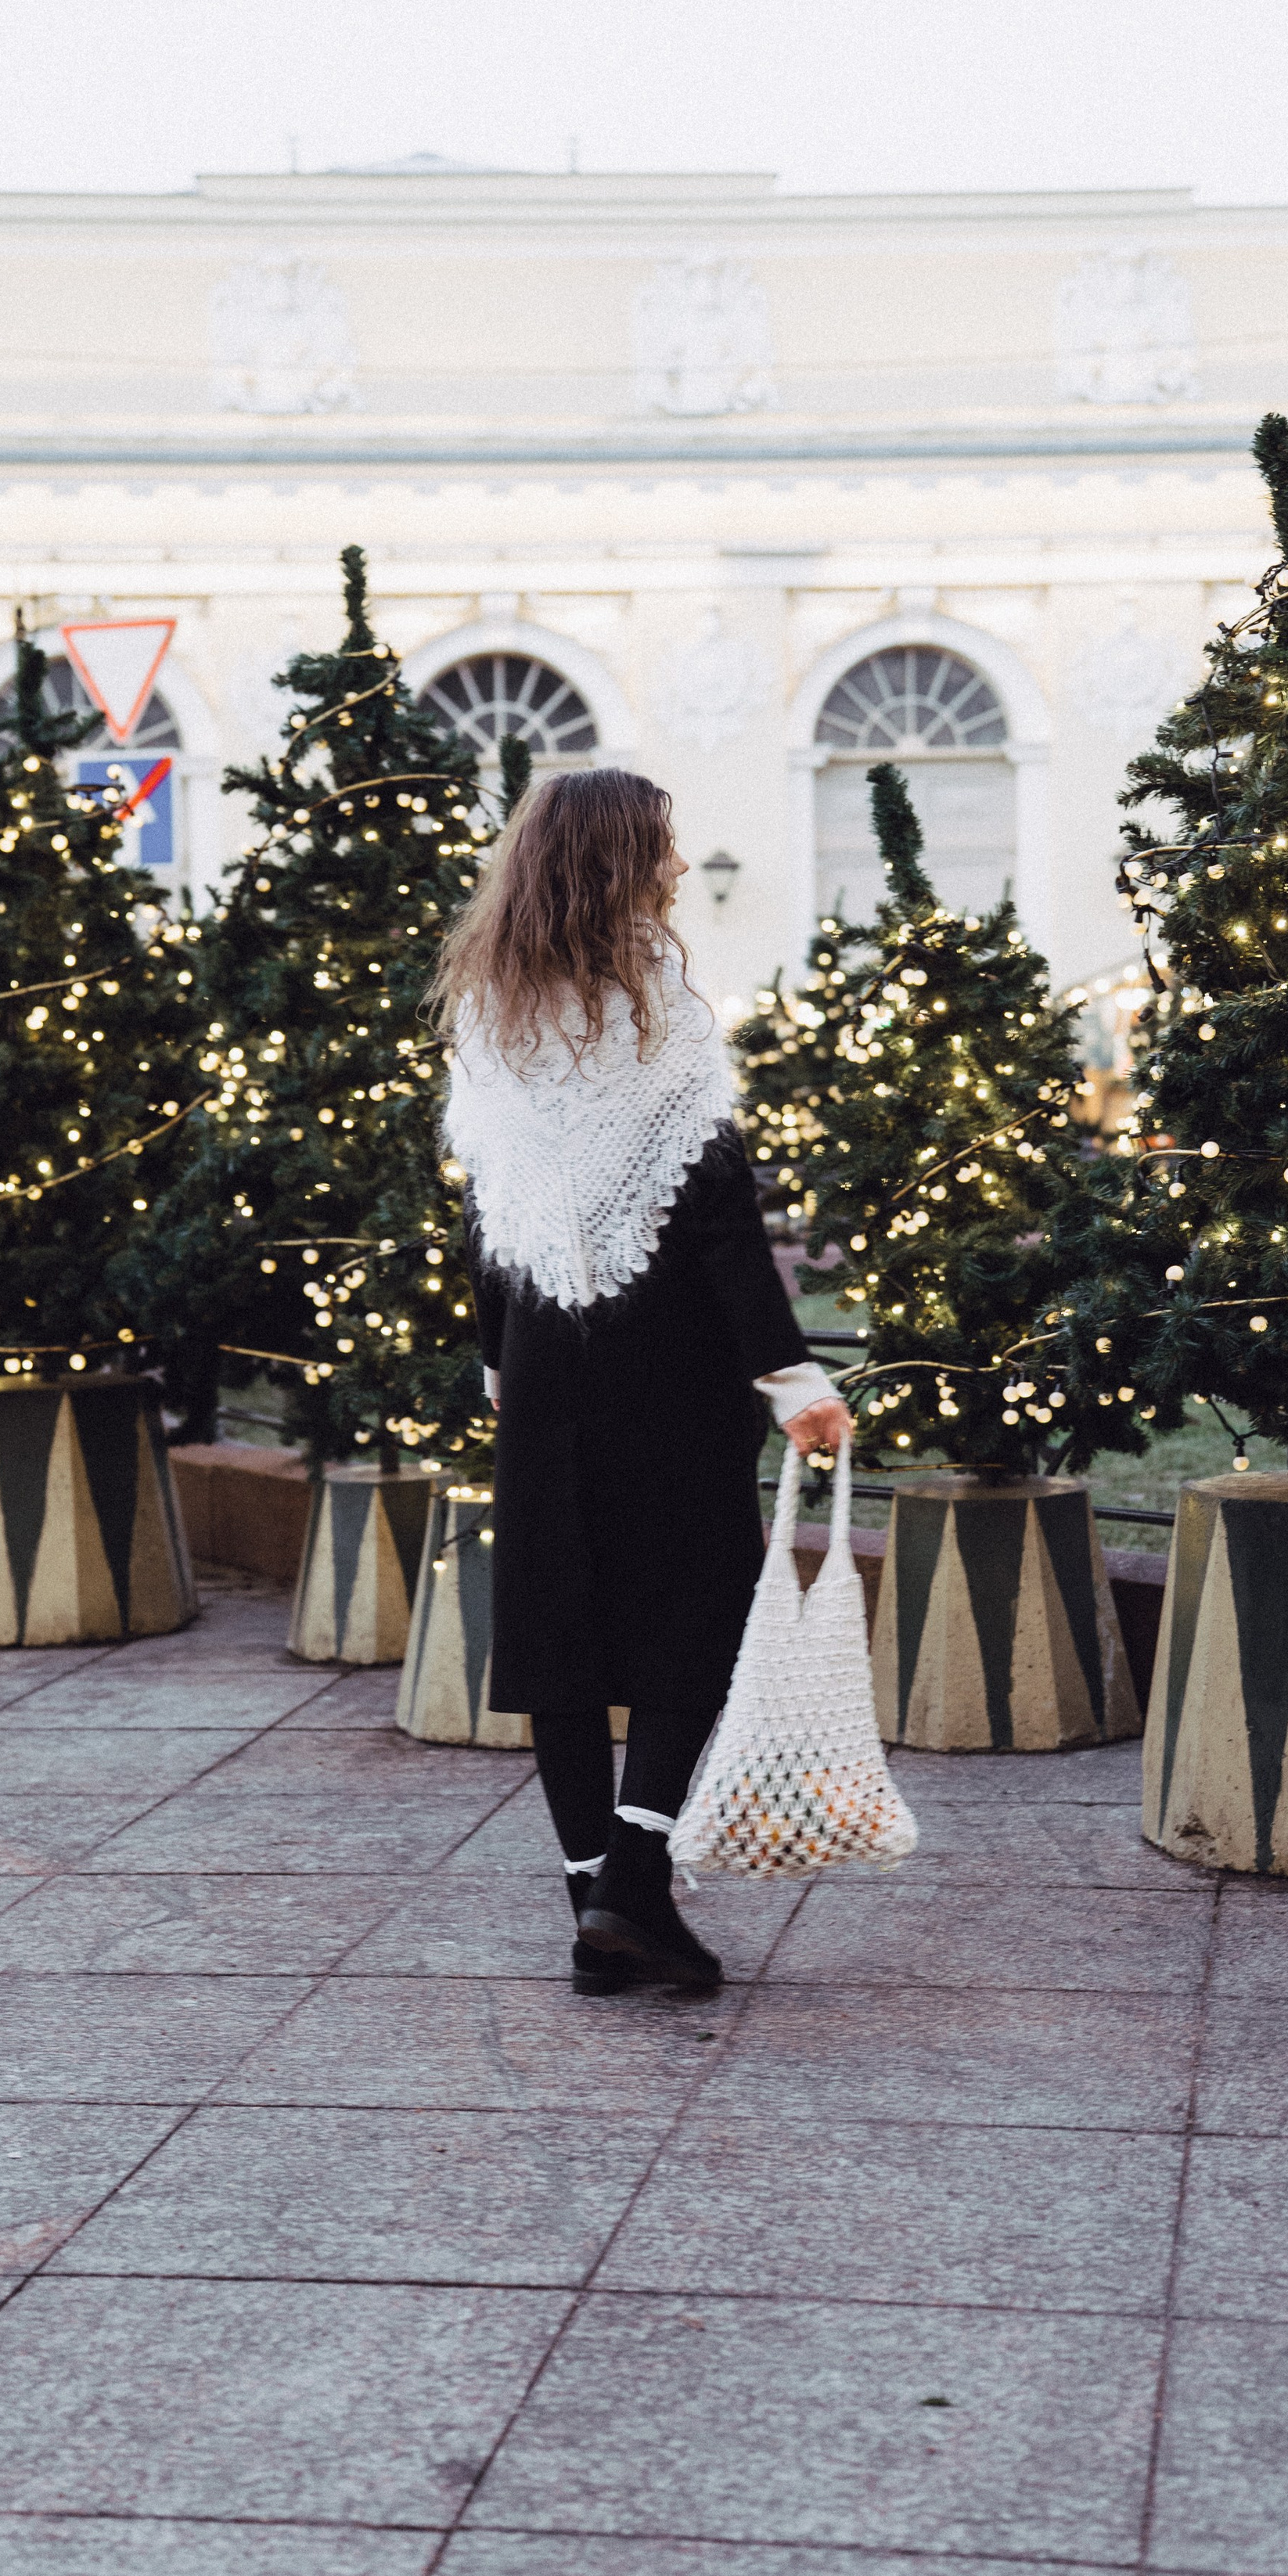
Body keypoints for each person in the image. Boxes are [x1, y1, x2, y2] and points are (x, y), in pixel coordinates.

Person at [432, 769, 850, 1992]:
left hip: (544, 1370)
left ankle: (598, 1910)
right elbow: (721, 1223)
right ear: (623, 864)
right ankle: (630, 1888)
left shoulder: (487, 1014)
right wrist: (790, 1377)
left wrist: (498, 1355)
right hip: (669, 1369)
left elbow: (482, 1211)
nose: (676, 867)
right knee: (695, 1611)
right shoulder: (663, 1015)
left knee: (557, 1626)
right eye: (662, 849)